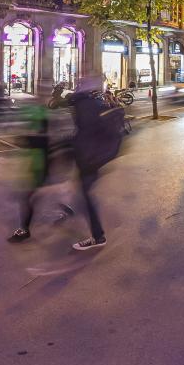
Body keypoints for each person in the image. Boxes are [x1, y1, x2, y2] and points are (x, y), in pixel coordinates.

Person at [8, 86, 74, 243]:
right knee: (42, 192)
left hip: (42, 163)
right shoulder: (43, 113)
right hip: (41, 162)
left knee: (28, 197)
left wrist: (25, 140)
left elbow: (41, 140)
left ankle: (25, 230)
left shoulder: (45, 116)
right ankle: (64, 209)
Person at [68, 75, 122, 251]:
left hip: (88, 158)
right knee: (84, 194)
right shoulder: (94, 103)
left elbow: (85, 133)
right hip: (93, 157)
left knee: (84, 196)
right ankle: (97, 234)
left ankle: (98, 236)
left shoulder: (84, 105)